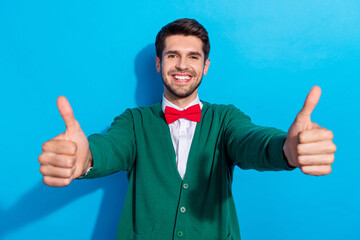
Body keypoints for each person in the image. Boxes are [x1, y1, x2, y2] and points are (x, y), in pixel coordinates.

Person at [38, 18, 337, 240]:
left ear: (206, 65)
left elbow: (252, 141)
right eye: (172, 56)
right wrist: (84, 157)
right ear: (158, 63)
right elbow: (109, 146)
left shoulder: (226, 119)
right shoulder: (133, 121)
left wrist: (286, 148)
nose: (183, 66)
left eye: (193, 57)